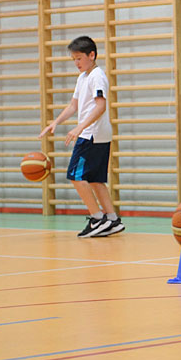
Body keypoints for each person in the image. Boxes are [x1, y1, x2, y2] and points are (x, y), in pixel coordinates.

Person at [39, 36, 124, 238]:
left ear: (91, 55)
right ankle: (112, 219)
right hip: (96, 134)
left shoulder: (97, 76)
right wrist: (56, 122)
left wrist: (79, 128)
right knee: (95, 179)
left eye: (79, 58)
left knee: (75, 176)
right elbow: (73, 105)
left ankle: (97, 218)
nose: (76, 63)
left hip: (91, 134)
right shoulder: (83, 77)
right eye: (73, 59)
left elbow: (101, 107)